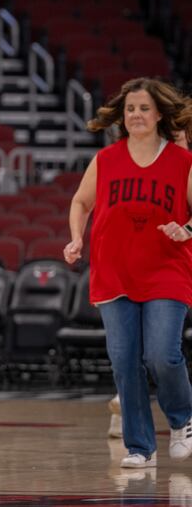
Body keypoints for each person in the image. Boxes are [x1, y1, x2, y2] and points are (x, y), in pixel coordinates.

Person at [65, 77, 192, 469]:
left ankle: (183, 421)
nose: (136, 114)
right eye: (130, 108)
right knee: (124, 360)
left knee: (162, 355)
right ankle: (140, 447)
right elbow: (81, 202)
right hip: (114, 271)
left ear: (158, 115)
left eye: (143, 108)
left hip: (166, 270)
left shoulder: (182, 161)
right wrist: (76, 239)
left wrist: (184, 230)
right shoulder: (106, 160)